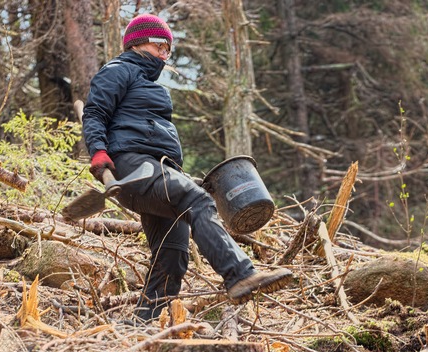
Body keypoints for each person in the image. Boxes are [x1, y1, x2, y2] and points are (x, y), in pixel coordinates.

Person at [82, 13, 293, 322]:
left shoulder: (147, 85)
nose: (165, 54)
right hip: (130, 166)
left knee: (172, 254)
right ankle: (239, 275)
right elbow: (95, 113)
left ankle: (142, 325)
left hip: (156, 169)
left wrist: (181, 176)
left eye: (169, 48)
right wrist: (99, 152)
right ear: (137, 41)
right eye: (159, 45)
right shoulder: (118, 70)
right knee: (196, 202)